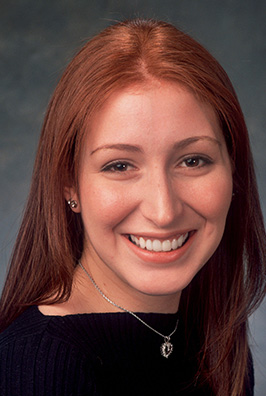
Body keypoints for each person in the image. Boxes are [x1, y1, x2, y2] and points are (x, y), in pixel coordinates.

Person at [0, 18, 265, 396]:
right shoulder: (38, 366)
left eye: (192, 161)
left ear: (233, 171)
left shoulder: (213, 342)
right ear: (69, 183)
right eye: (120, 166)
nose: (164, 211)